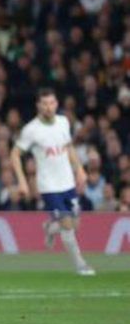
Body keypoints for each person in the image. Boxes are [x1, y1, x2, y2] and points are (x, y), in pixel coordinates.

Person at [11, 88, 95, 275]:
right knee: (66, 224)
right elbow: (15, 154)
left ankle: (49, 227)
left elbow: (68, 147)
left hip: (67, 182)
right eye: (44, 104)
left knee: (75, 223)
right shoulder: (31, 130)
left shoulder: (64, 122)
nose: (48, 107)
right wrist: (23, 182)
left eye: (51, 103)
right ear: (38, 106)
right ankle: (80, 265)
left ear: (56, 104)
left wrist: (79, 169)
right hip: (48, 185)